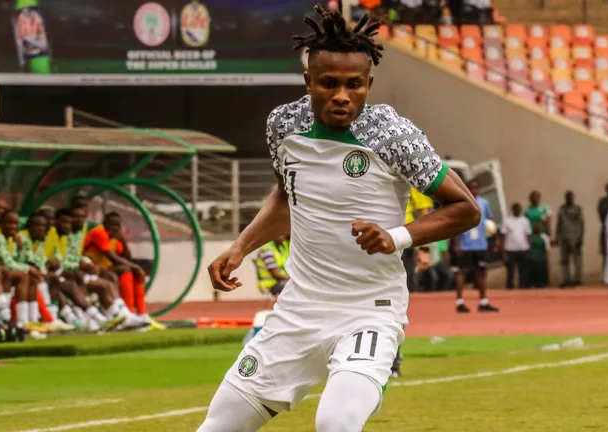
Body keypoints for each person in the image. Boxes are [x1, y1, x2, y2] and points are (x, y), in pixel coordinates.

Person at [197, 6, 481, 431]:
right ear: (308, 81)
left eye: (354, 85)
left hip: (369, 310)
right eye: (329, 83)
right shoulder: (283, 126)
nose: (342, 95)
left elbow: (465, 208)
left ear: (369, 84)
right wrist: (240, 248)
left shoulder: (392, 134)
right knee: (218, 425)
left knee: (335, 422)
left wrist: (396, 236)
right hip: (299, 308)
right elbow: (286, 197)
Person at [83, 212, 163, 329]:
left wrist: (123, 241)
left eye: (117, 225)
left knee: (132, 272)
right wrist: (137, 267)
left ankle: (142, 314)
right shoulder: (100, 232)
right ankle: (129, 313)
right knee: (127, 269)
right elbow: (113, 258)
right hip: (91, 268)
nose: (114, 228)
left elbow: (126, 257)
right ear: (104, 223)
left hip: (106, 268)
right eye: (111, 224)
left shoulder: (115, 236)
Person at [0, 210, 38, 328]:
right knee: (19, 273)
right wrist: (29, 268)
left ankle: (27, 320)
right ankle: (9, 318)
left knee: (23, 274)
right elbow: (8, 262)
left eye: (16, 223)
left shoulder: (10, 239)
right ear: (2, 223)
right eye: (9, 223)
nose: (13, 226)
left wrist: (20, 248)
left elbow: (17, 261)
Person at [454, 180, 499, 312]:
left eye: (476, 187)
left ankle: (483, 302)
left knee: (481, 273)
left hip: (480, 245)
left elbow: (490, 222)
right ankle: (459, 302)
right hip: (465, 245)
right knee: (462, 272)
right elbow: (457, 223)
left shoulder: (484, 203)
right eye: (471, 187)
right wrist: (457, 244)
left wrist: (494, 239)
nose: (474, 190)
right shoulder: (462, 202)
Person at [403, 188, 433, 292]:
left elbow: (424, 212)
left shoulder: (410, 180)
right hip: (371, 236)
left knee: (405, 284)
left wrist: (424, 250)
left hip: (402, 239)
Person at [554, 190, 585, 287]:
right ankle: (566, 279)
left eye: (570, 197)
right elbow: (559, 224)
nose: (569, 199)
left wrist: (581, 237)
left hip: (575, 238)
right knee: (564, 261)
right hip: (564, 238)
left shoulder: (578, 209)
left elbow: (581, 224)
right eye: (567, 197)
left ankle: (577, 279)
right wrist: (557, 237)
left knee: (577, 260)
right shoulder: (562, 209)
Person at [498, 202, 530, 289]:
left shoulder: (525, 221)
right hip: (510, 249)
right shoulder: (507, 221)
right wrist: (503, 251)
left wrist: (529, 247)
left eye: (519, 209)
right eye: (516, 209)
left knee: (523, 271)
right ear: (513, 210)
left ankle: (523, 287)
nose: (517, 210)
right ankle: (510, 288)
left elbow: (528, 235)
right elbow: (503, 236)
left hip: (523, 249)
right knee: (511, 271)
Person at [527, 221, 550, 288]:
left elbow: (547, 250)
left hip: (540, 260)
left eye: (540, 227)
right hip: (532, 260)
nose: (539, 228)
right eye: (538, 226)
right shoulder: (531, 237)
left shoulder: (545, 237)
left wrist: (547, 262)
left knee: (540, 280)